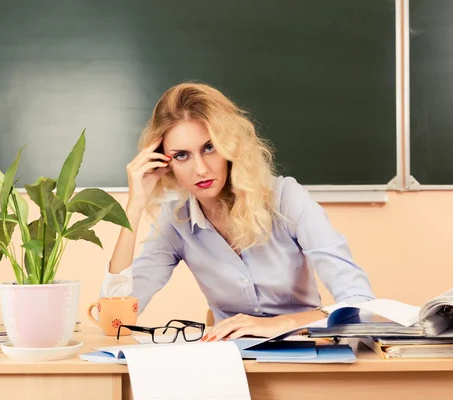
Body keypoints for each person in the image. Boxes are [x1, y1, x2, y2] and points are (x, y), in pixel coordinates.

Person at [101, 82, 375, 341]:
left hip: (302, 353)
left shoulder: (286, 199)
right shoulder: (175, 221)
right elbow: (117, 320)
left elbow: (360, 302)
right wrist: (134, 206)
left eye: (209, 148)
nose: (200, 169)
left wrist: (277, 324)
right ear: (165, 162)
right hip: (230, 361)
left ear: (230, 145)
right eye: (182, 155)